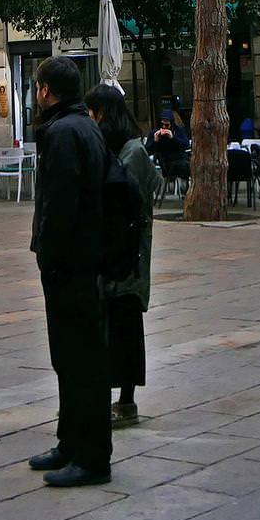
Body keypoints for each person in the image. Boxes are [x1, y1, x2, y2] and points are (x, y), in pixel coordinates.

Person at [26, 56, 111, 488]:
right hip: (82, 260)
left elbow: (60, 206)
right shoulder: (83, 127)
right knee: (70, 358)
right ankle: (70, 441)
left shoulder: (63, 133)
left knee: (79, 360)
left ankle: (92, 457)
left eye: (37, 87)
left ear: (45, 90)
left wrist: (48, 253)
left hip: (71, 264)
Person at [86, 83, 157, 432]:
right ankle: (111, 398)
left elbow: (129, 192)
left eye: (93, 112)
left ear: (103, 114)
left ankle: (126, 402)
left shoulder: (132, 151)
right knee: (111, 325)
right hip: (114, 252)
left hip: (128, 254)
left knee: (126, 325)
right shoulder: (121, 148)